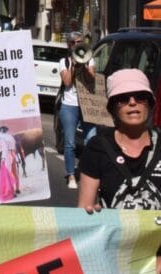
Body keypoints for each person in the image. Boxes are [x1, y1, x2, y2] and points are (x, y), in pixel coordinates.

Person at [78, 69, 161, 212]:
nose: (132, 102)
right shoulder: (97, 147)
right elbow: (84, 208)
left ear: (150, 103)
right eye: (123, 98)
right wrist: (93, 216)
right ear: (112, 108)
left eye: (140, 97)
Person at [59, 34, 95, 190]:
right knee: (70, 143)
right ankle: (71, 175)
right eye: (73, 42)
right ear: (69, 45)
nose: (76, 44)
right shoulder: (64, 61)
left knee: (91, 140)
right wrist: (73, 65)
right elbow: (67, 82)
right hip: (69, 105)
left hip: (87, 105)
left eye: (79, 42)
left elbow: (92, 79)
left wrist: (85, 65)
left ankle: (89, 173)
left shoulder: (89, 59)